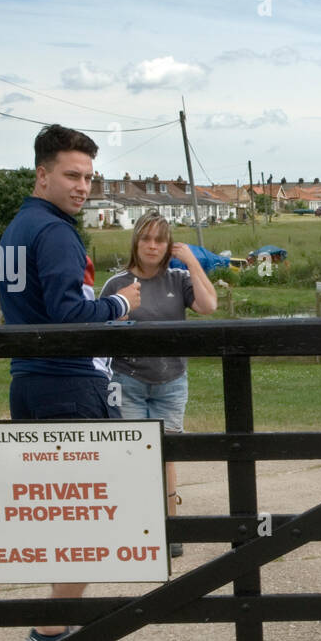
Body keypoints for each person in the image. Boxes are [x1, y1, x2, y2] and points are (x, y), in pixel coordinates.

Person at [0, 123, 141, 641]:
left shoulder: (17, 228)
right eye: (71, 175)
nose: (82, 186)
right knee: (88, 514)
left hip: (29, 383)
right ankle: (50, 632)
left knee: (61, 511)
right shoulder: (54, 232)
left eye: (88, 176)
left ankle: (52, 625)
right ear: (43, 173)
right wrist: (121, 306)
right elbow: (67, 314)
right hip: (68, 382)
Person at [100, 211, 218, 557]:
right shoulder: (116, 284)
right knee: (134, 455)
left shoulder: (178, 279)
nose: (152, 246)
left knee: (167, 456)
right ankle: (137, 527)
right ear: (136, 241)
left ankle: (170, 528)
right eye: (146, 239)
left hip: (171, 381)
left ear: (168, 245)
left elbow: (208, 306)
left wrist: (192, 262)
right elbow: (100, 329)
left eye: (160, 240)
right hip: (128, 380)